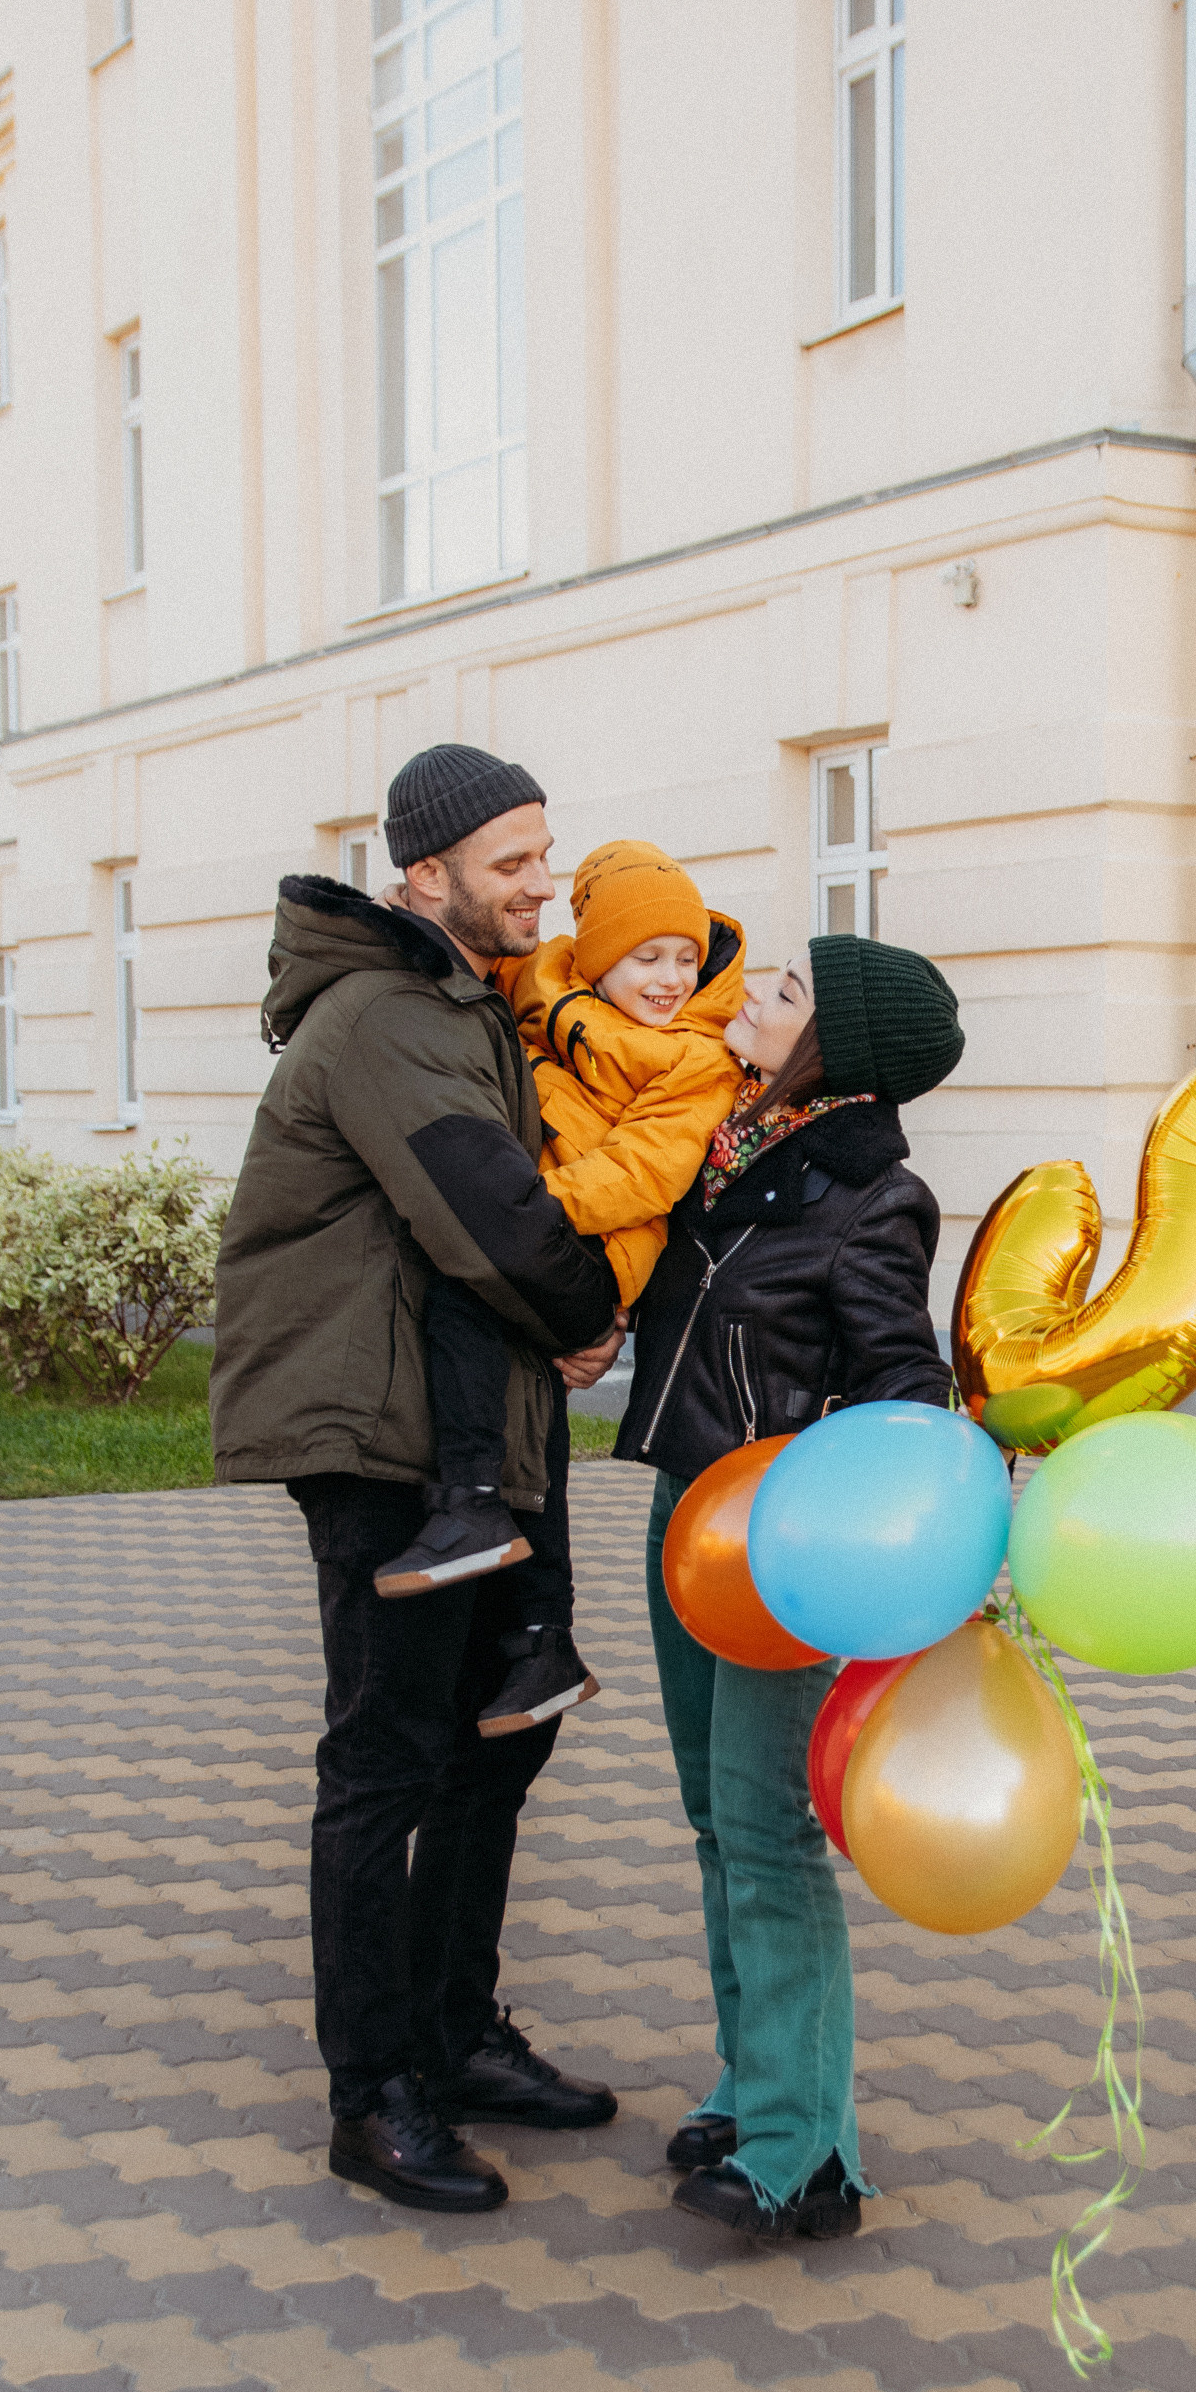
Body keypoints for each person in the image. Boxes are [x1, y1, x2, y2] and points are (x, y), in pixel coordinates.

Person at [210, 743, 627, 2216]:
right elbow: (486, 1210)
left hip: (466, 1433)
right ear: (425, 874)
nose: (541, 884)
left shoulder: (464, 1002)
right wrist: (588, 1315)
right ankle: (372, 2092)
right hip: (377, 1438)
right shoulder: (390, 1014)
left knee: (492, 1745)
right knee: (386, 1758)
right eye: (512, 861)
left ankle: (452, 2034)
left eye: (545, 853)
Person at [616, 933, 966, 2239]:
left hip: (783, 1543)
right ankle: (752, 2082)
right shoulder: (728, 1151)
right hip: (686, 1516)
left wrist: (879, 1523)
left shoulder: (871, 1195)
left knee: (768, 1832)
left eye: (785, 991)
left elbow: (902, 1386)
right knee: (718, 1821)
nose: (753, 996)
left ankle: (806, 2152)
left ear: (839, 1048)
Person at [372, 843, 747, 1746]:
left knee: (466, 1297)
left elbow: (647, 1172)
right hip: (542, 1217)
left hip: (600, 1235)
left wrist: (521, 1213)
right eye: (647, 956)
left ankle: (471, 1501)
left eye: (685, 957)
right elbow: (472, 958)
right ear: (596, 958)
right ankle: (542, 1635)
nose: (670, 978)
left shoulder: (698, 1054)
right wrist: (402, 917)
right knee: (527, 1395)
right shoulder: (545, 982)